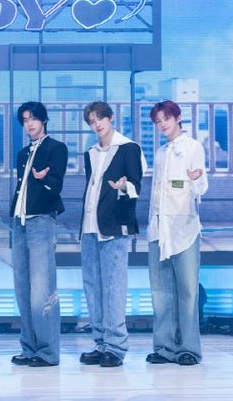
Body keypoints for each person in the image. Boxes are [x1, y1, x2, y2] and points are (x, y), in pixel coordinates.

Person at [79, 101, 145, 367]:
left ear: (110, 118)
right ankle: (100, 343)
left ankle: (116, 347)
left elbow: (136, 185)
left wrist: (123, 186)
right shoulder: (91, 152)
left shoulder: (128, 148)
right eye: (92, 121)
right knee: (93, 288)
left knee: (113, 287)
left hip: (114, 227)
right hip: (89, 227)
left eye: (100, 119)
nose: (97, 125)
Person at [147, 100, 208, 366]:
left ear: (178, 118)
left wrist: (196, 178)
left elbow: (201, 187)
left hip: (184, 229)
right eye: (158, 121)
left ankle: (189, 349)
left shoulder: (193, 147)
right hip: (158, 230)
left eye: (166, 119)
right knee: (161, 292)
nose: (162, 125)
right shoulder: (160, 153)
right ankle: (164, 347)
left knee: (187, 291)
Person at [9, 101, 68, 367]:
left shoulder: (56, 148)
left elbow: (56, 186)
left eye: (33, 118)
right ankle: (29, 347)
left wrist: (43, 178)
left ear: (43, 120)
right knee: (22, 288)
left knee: (41, 290)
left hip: (41, 221)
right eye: (24, 120)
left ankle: (47, 352)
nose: (29, 124)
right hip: (19, 222)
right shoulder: (23, 153)